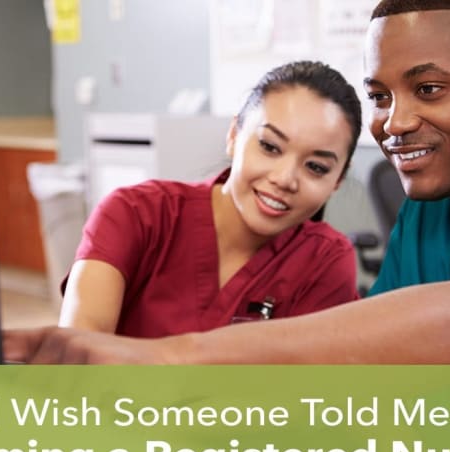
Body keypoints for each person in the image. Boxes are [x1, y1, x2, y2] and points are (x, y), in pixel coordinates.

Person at [5, 0, 450, 364]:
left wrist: (166, 365)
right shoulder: (434, 211)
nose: (394, 123)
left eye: (429, 88)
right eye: (379, 96)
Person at [58, 61, 363, 339]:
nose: (285, 178)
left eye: (316, 167)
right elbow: (79, 354)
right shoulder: (135, 214)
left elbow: (301, 390)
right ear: (233, 134)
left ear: (337, 180)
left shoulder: (326, 261)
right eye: (270, 147)